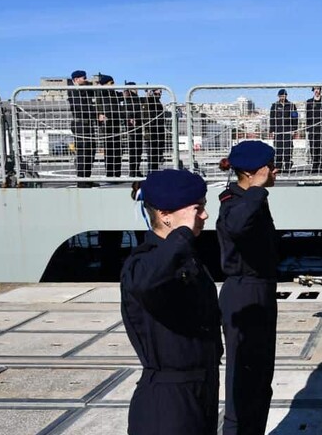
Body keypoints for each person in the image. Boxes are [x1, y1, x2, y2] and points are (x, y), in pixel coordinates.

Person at [121, 169, 221, 435]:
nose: (204, 216)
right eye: (196, 209)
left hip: (200, 390)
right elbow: (146, 282)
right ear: (165, 215)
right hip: (167, 402)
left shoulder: (185, 257)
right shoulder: (143, 262)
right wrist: (183, 234)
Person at [216, 141, 280, 435]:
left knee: (260, 378)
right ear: (257, 171)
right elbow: (238, 225)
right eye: (271, 166)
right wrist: (257, 188)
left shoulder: (250, 199)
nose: (276, 171)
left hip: (260, 290)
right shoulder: (235, 201)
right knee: (242, 379)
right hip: (244, 292)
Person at [67, 70, 97, 187]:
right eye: (83, 78)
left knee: (90, 150)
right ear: (76, 79)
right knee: (83, 152)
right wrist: (95, 114)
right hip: (80, 124)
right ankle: (81, 180)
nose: (85, 80)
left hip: (88, 124)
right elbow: (81, 107)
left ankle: (87, 178)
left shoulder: (85, 91)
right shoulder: (73, 91)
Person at [96, 74, 123, 177]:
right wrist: (100, 115)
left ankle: (117, 173)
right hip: (107, 124)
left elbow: (123, 96)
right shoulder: (101, 94)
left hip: (116, 124)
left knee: (117, 149)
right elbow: (97, 106)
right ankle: (110, 174)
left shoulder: (115, 94)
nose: (113, 85)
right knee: (109, 149)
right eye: (111, 83)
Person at [269, 89, 297, 171]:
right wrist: (272, 130)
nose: (283, 97)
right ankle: (278, 166)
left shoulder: (291, 105)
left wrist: (294, 130)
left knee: (288, 148)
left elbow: (295, 118)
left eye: (284, 95)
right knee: (278, 149)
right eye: (281, 96)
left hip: (288, 130)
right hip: (278, 130)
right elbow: (272, 118)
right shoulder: (274, 106)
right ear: (278, 96)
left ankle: (288, 166)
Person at [122, 82, 144, 178]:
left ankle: (135, 170)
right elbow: (126, 111)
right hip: (132, 126)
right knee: (134, 149)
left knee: (137, 150)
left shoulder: (136, 99)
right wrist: (130, 118)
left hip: (137, 125)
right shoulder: (129, 99)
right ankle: (133, 171)